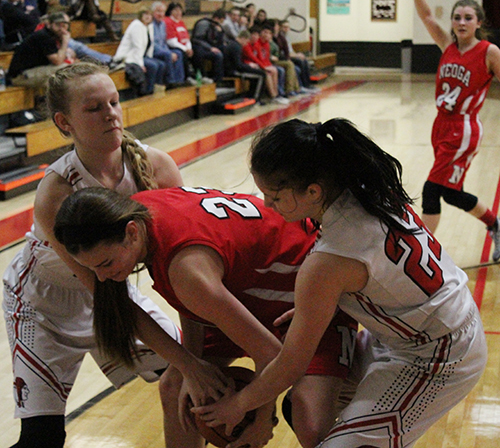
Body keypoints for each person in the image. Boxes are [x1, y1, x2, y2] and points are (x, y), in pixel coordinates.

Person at [192, 117, 488, 448]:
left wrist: (239, 404)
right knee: (302, 404)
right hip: (415, 330)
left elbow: (290, 364)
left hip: (438, 356)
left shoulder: (329, 260)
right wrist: (317, 310)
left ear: (313, 191)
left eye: (273, 196)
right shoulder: (370, 189)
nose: (266, 205)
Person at [53, 186, 360, 448]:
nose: (102, 278)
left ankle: (369, 362)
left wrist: (261, 419)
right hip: (249, 294)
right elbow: (193, 306)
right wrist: (191, 366)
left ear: (131, 233)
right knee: (176, 387)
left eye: (105, 263)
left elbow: (270, 355)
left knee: (311, 424)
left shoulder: (185, 269)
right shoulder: (138, 211)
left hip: (311, 297)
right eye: (93, 268)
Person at [2, 62, 184, 448]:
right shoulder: (56, 191)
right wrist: (190, 362)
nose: (111, 114)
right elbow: (105, 293)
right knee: (42, 439)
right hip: (43, 304)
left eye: (114, 102)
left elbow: (182, 269)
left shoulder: (156, 166)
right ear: (64, 123)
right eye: (94, 108)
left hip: (110, 287)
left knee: (185, 380)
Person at [415, 0, 500, 261]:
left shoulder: (489, 51)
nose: (462, 22)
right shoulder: (447, 46)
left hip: (463, 129)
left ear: (479, 22)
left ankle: (421, 253)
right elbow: (428, 16)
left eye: (468, 18)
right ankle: (495, 225)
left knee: (431, 189)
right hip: (441, 126)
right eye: (457, 17)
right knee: (451, 193)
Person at [7, 11, 70, 90]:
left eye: (64, 26)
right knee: (65, 69)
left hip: (33, 71)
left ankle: (45, 100)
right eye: (58, 25)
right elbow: (57, 61)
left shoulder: (52, 36)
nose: (61, 29)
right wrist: (65, 42)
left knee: (55, 80)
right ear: (49, 24)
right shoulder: (44, 36)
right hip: (19, 76)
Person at [114, 8, 166, 95]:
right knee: (153, 66)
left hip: (142, 56)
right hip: (130, 57)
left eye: (149, 15)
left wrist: (150, 57)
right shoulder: (136, 26)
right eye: (145, 14)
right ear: (140, 16)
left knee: (161, 64)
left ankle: (157, 88)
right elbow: (137, 47)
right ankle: (147, 92)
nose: (147, 17)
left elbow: (150, 45)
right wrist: (141, 64)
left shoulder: (149, 27)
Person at [243, 25, 288, 105]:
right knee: (267, 73)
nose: (257, 37)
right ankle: (273, 96)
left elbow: (265, 58)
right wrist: (265, 67)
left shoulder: (266, 44)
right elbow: (254, 58)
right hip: (250, 65)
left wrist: (269, 66)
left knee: (274, 71)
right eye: (256, 35)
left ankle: (277, 95)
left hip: (258, 64)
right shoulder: (250, 45)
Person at [223, 29, 266, 103]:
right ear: (243, 38)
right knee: (261, 75)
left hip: (234, 68)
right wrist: (249, 66)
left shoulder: (234, 44)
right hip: (233, 71)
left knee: (257, 73)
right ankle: (256, 99)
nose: (246, 44)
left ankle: (250, 96)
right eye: (246, 42)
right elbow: (238, 66)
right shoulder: (236, 47)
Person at [151, 1, 185, 88]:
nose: (161, 14)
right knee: (168, 55)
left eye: (162, 12)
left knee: (178, 53)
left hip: (162, 49)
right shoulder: (150, 25)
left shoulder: (163, 24)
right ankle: (171, 81)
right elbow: (153, 44)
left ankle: (180, 81)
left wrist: (168, 51)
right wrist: (168, 53)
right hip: (152, 50)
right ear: (153, 13)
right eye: (158, 11)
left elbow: (164, 42)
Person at [279, 20, 319, 92]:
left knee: (305, 60)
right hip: (284, 57)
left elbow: (291, 50)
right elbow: (285, 52)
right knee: (300, 61)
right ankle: (303, 85)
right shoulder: (280, 38)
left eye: (287, 27)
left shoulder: (287, 37)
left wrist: (297, 54)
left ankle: (308, 84)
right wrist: (296, 55)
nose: (286, 29)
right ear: (280, 28)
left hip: (290, 55)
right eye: (284, 27)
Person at [191, 9, 226, 84]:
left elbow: (217, 41)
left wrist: (220, 33)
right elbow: (197, 39)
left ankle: (219, 79)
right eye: (221, 21)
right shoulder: (203, 24)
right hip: (199, 46)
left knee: (223, 51)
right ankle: (206, 76)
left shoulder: (215, 26)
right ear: (216, 18)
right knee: (215, 55)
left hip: (209, 46)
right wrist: (210, 48)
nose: (221, 24)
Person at [164, 2, 194, 84]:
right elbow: (171, 42)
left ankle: (195, 76)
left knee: (197, 51)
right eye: (175, 10)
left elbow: (187, 38)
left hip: (183, 46)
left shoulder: (181, 22)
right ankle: (183, 79)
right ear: (170, 11)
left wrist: (189, 48)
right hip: (172, 46)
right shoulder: (168, 22)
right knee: (181, 53)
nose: (178, 12)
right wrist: (185, 49)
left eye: (179, 10)